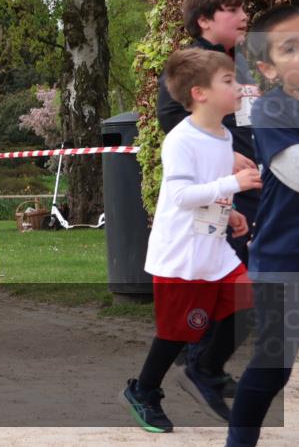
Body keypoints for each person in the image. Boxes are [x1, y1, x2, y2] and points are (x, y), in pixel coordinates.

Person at [120, 48, 260, 433]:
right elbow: (181, 195)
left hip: (212, 247)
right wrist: (234, 184)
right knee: (176, 333)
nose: (238, 88)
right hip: (181, 254)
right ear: (200, 93)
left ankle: (205, 370)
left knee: (249, 300)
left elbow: (205, 190)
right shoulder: (181, 139)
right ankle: (144, 390)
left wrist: (228, 211)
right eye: (228, 82)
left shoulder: (223, 134)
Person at [227, 5, 299, 447]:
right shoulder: (273, 109)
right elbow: (296, 172)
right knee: (274, 365)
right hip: (283, 260)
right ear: (267, 68)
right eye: (289, 48)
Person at [157, 0, 259, 261]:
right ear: (204, 20)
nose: (244, 16)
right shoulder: (191, 63)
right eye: (233, 10)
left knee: (246, 267)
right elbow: (169, 115)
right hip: (219, 189)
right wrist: (226, 154)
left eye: (243, 9)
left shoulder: (239, 62)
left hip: (250, 186)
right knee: (215, 262)